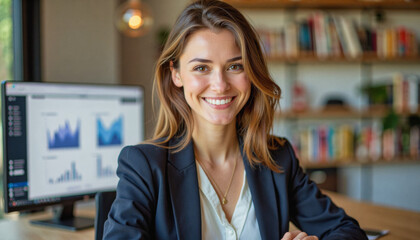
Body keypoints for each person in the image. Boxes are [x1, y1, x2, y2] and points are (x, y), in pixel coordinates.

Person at [103, 0, 368, 239]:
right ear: (176, 75)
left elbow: (347, 231)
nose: (220, 85)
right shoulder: (144, 166)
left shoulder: (277, 158)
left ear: (251, 73)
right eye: (201, 68)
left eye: (235, 66)